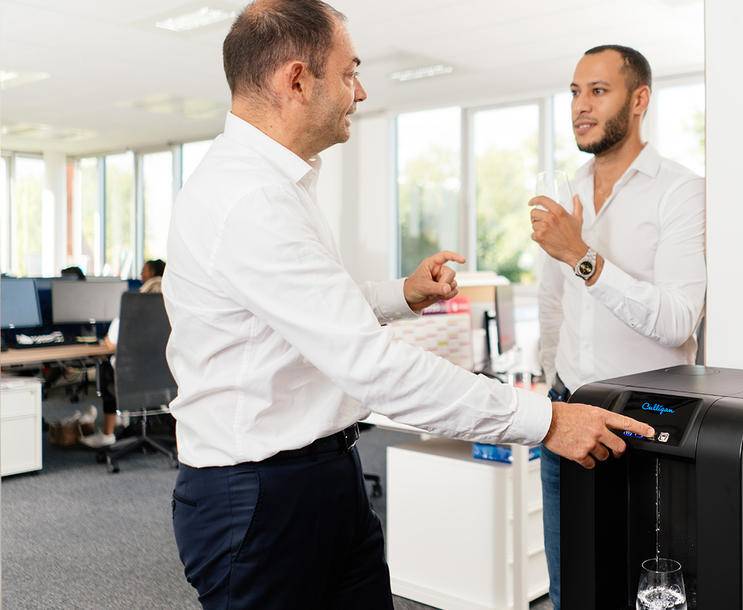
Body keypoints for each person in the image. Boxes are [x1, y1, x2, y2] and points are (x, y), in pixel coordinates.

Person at [162, 3, 655, 608]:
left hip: (323, 475)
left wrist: (402, 294)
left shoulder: (278, 185)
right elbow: (372, 365)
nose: (361, 91)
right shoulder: (249, 198)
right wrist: (546, 421)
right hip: (259, 497)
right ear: (296, 80)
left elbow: (316, 308)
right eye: (349, 73)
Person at [530, 45, 707, 609]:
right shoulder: (569, 192)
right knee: (572, 591)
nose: (581, 106)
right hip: (568, 414)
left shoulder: (681, 192)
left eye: (598, 91)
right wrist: (551, 382)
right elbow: (552, 301)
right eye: (575, 92)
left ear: (639, 100)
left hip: (645, 426)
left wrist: (583, 256)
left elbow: (679, 318)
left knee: (647, 594)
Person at [80, 260, 166, 448]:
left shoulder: (127, 317)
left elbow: (109, 346)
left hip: (129, 381)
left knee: (105, 365)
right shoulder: (173, 319)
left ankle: (108, 433)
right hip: (164, 383)